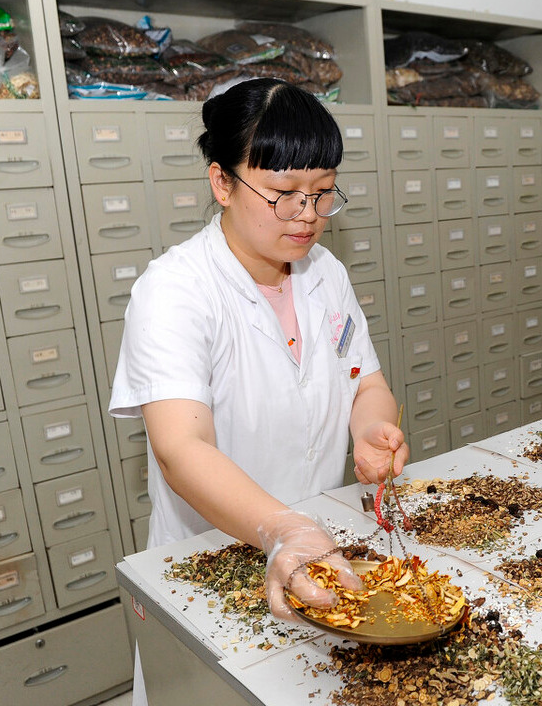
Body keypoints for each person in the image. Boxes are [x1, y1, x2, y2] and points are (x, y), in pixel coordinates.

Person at [110, 78, 406, 702]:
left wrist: (370, 427)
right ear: (222, 181)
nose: (307, 216)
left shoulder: (326, 274)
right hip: (214, 556)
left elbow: (366, 382)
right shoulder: (175, 291)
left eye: (323, 195)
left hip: (317, 544)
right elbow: (180, 447)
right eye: (283, 194)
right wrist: (281, 529)